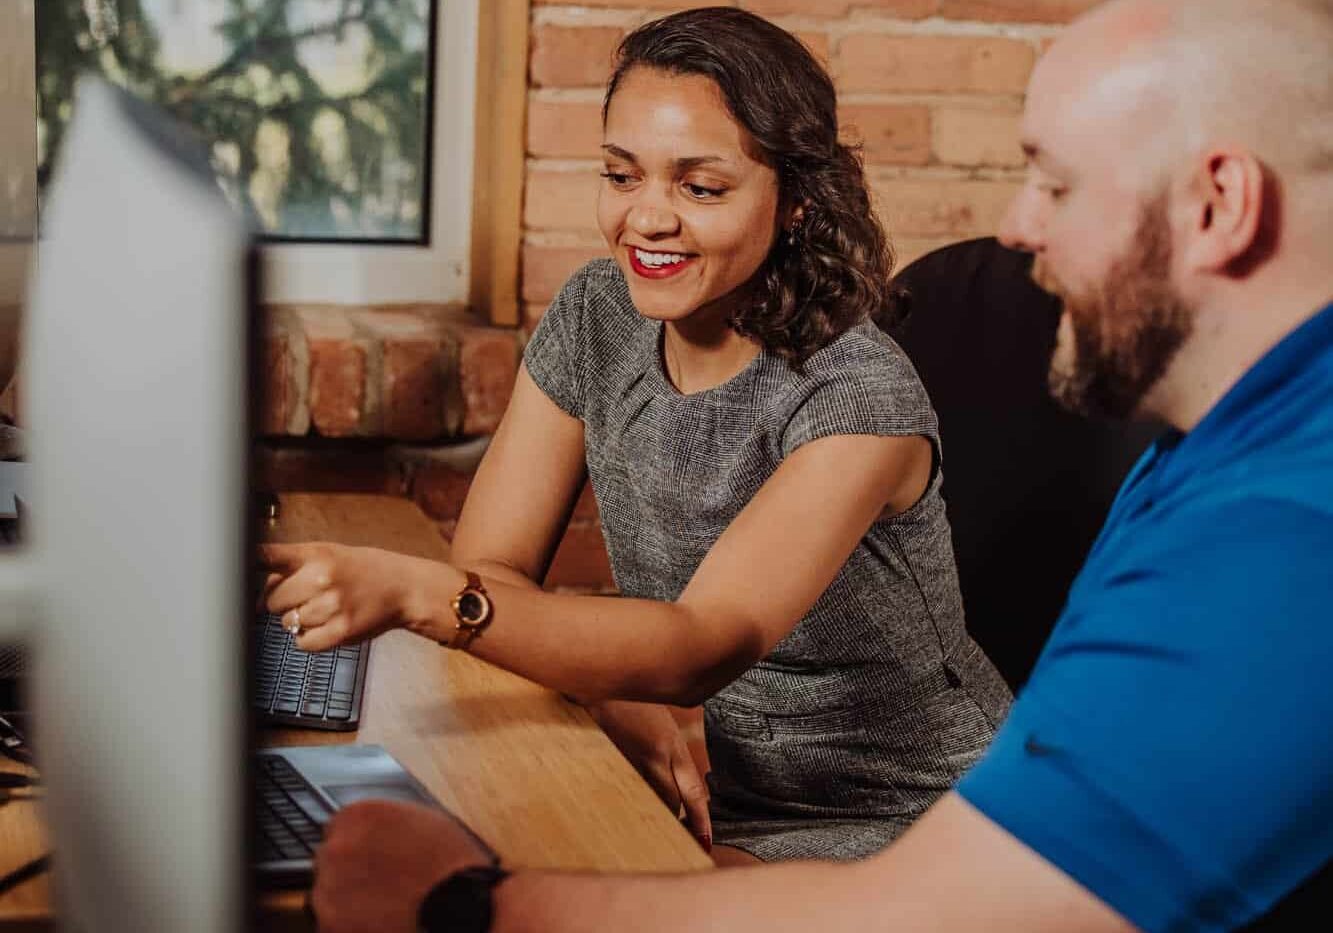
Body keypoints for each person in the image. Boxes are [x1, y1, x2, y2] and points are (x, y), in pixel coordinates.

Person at [298, 0, 1333, 929]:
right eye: (620, 173)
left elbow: (942, 903)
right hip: (788, 798)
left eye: (1055, 184)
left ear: (1218, 204)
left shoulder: (1282, 535)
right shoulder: (1201, 458)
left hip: (886, 829)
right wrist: (619, 699)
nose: (1015, 230)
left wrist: (468, 905)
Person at [262, 7, 1011, 867]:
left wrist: (421, 595)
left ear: (795, 201)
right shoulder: (596, 315)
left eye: (699, 188)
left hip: (925, 820)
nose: (646, 220)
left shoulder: (856, 395)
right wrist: (611, 693)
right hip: (730, 798)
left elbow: (700, 642)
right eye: (622, 176)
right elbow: (496, 566)